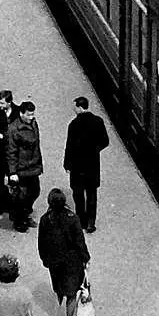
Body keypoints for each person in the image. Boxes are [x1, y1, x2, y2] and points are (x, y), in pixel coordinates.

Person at [37, 189, 90, 316]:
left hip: (54, 261)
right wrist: (85, 258)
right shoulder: (72, 218)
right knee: (72, 293)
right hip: (71, 262)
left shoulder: (45, 219)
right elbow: (80, 242)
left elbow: (41, 242)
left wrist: (44, 259)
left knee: (58, 291)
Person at [62, 96, 109, 234]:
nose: (74, 109)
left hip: (77, 166)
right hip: (92, 165)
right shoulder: (98, 121)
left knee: (78, 194)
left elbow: (69, 146)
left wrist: (67, 164)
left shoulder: (73, 124)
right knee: (92, 194)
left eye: (74, 107)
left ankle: (81, 220)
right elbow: (105, 141)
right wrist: (95, 150)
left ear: (79, 107)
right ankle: (91, 222)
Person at [6, 101, 43, 233]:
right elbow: (11, 152)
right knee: (21, 196)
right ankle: (19, 220)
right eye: (29, 115)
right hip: (21, 168)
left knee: (35, 192)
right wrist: (12, 172)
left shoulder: (33, 123)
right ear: (21, 114)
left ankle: (25, 214)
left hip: (33, 166)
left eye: (33, 114)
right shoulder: (13, 129)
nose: (32, 117)